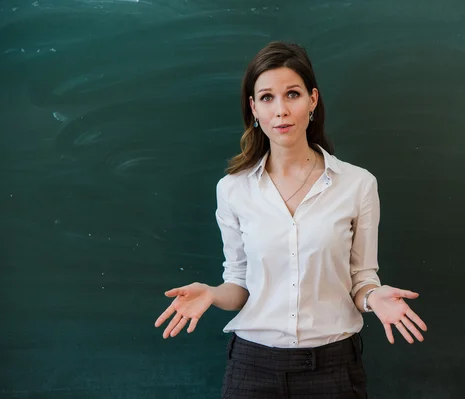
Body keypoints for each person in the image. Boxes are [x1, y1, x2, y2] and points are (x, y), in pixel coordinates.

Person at [155, 41, 427, 399]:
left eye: (292, 94)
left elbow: (361, 279)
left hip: (333, 369)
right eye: (267, 97)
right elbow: (238, 285)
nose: (281, 110)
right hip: (252, 369)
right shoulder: (233, 190)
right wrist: (212, 294)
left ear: (312, 100)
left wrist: (374, 297)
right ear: (253, 108)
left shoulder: (358, 184)